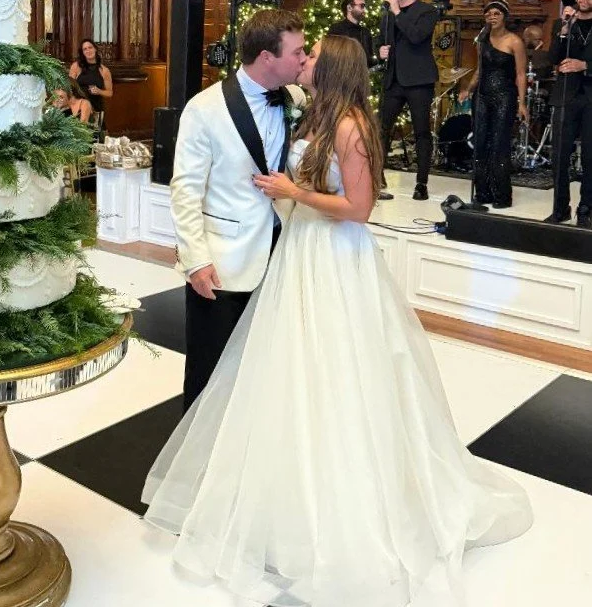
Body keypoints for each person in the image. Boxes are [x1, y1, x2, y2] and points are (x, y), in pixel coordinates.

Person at [143, 35, 532, 607]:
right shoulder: (310, 109)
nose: (306, 62)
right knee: (285, 370)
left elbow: (359, 208)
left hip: (333, 257)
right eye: (302, 53)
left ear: (335, 69)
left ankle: (341, 500)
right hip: (296, 252)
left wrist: (293, 191)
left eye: (314, 57)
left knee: (337, 370)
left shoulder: (349, 125)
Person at [170, 8, 307, 411]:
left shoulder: (295, 99)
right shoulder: (203, 109)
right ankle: (196, 459)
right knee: (208, 369)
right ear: (268, 57)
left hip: (282, 252)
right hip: (223, 260)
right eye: (297, 51)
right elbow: (185, 189)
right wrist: (195, 260)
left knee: (262, 366)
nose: (303, 59)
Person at [459, 0, 528, 208]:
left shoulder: (514, 41)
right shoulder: (482, 40)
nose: (492, 17)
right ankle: (483, 192)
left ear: (504, 16)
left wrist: (522, 103)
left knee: (499, 144)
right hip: (482, 96)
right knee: (480, 143)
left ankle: (502, 195)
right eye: (489, 14)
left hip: (504, 97)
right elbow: (479, 70)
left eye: (496, 13)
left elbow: (520, 73)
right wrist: (468, 89)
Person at [378, 0, 439, 200]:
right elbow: (380, 39)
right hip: (393, 79)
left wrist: (396, 11)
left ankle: (421, 183)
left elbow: (416, 36)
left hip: (418, 80)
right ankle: (377, 176)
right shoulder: (388, 14)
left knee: (422, 132)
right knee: (381, 129)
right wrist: (380, 50)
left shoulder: (427, 11)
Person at [545, 0, 592, 227]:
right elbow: (553, 57)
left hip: (590, 98)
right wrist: (563, 31)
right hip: (566, 95)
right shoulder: (564, 24)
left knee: (590, 158)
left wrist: (583, 65)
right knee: (560, 156)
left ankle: (586, 209)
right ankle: (560, 208)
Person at [327, 0, 374, 65]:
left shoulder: (366, 32)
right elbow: (330, 59)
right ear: (349, 7)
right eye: (361, 6)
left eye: (364, 6)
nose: (364, 10)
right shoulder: (336, 29)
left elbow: (369, 60)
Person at [68, 39, 113, 116]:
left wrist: (99, 91)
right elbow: (68, 87)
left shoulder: (104, 70)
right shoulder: (76, 66)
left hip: (96, 107)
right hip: (79, 107)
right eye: (85, 49)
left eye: (90, 47)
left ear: (95, 49)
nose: (88, 50)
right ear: (82, 53)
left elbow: (110, 93)